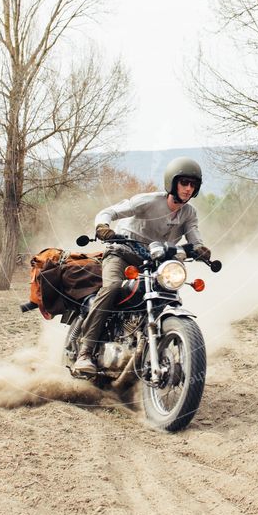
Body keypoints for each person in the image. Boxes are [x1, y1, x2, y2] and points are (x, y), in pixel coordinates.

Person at [74, 157, 212, 374]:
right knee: (112, 288)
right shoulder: (147, 201)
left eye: (193, 185)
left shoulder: (189, 213)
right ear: (172, 183)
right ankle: (85, 352)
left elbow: (195, 238)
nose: (188, 188)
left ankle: (149, 346)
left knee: (166, 295)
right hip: (122, 253)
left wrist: (200, 249)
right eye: (184, 183)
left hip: (154, 261)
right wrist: (103, 227)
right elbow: (109, 212)